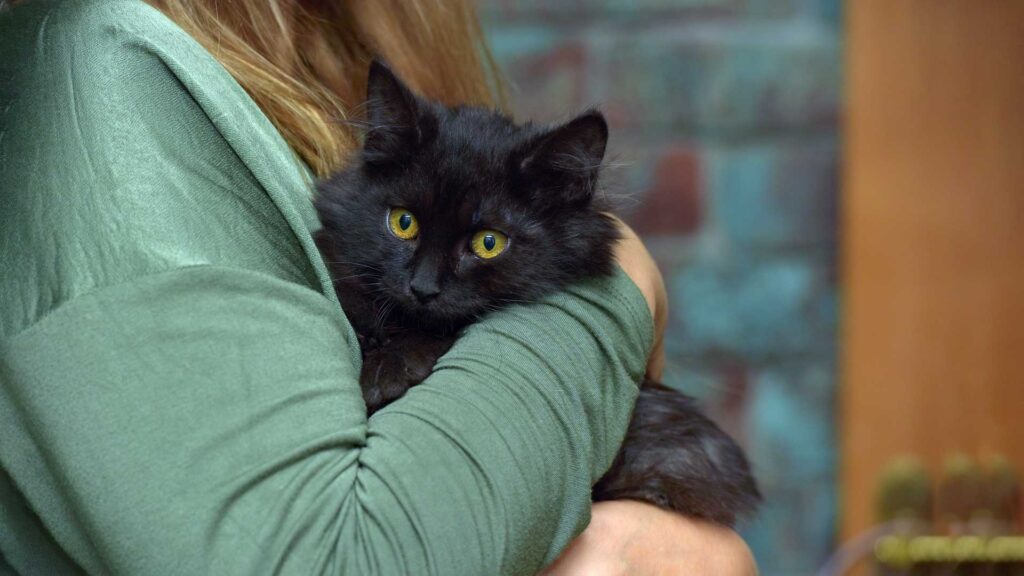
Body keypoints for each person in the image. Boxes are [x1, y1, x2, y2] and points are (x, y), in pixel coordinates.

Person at [0, 0, 756, 573]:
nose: (426, 281)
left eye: (483, 245)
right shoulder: (106, 65)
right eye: (404, 230)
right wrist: (618, 288)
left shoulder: (290, 66)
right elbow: (347, 553)